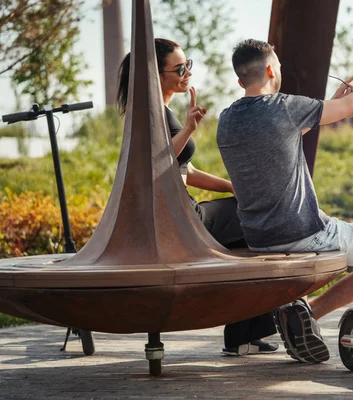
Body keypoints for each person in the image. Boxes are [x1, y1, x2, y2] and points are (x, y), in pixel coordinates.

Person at [217, 39, 353, 363]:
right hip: (304, 233)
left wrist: (329, 104)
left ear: (239, 80)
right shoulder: (284, 107)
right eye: (277, 66)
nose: (279, 71)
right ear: (269, 70)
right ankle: (308, 314)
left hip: (258, 237)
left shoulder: (228, 119)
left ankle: (297, 315)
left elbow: (281, 137)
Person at [116, 38, 278, 356]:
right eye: (179, 68)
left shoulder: (159, 112)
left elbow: (184, 172)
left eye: (188, 64)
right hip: (178, 218)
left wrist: (232, 186)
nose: (187, 72)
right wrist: (188, 128)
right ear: (154, 75)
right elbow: (153, 166)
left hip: (180, 211)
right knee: (260, 218)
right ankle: (246, 331)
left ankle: (243, 335)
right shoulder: (148, 117)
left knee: (249, 231)